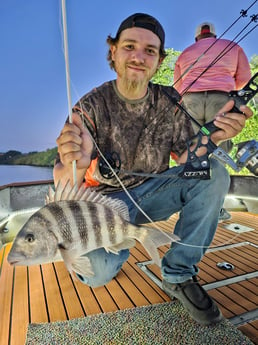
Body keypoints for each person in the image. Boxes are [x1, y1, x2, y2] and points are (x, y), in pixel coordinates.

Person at [54, 13, 252, 326]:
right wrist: (71, 160)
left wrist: (216, 135)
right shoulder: (90, 105)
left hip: (152, 195)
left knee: (213, 172)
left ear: (159, 61)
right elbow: (65, 178)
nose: (138, 56)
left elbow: (190, 158)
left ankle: (177, 273)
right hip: (103, 206)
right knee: (97, 274)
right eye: (130, 46)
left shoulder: (170, 100)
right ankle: (120, 244)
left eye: (149, 51)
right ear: (114, 52)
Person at [173, 22, 251, 221]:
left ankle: (186, 205)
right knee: (216, 148)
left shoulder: (185, 53)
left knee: (192, 150)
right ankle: (215, 207)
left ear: (197, 38)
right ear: (214, 35)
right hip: (221, 100)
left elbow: (178, 87)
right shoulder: (233, 46)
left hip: (190, 101)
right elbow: (244, 79)